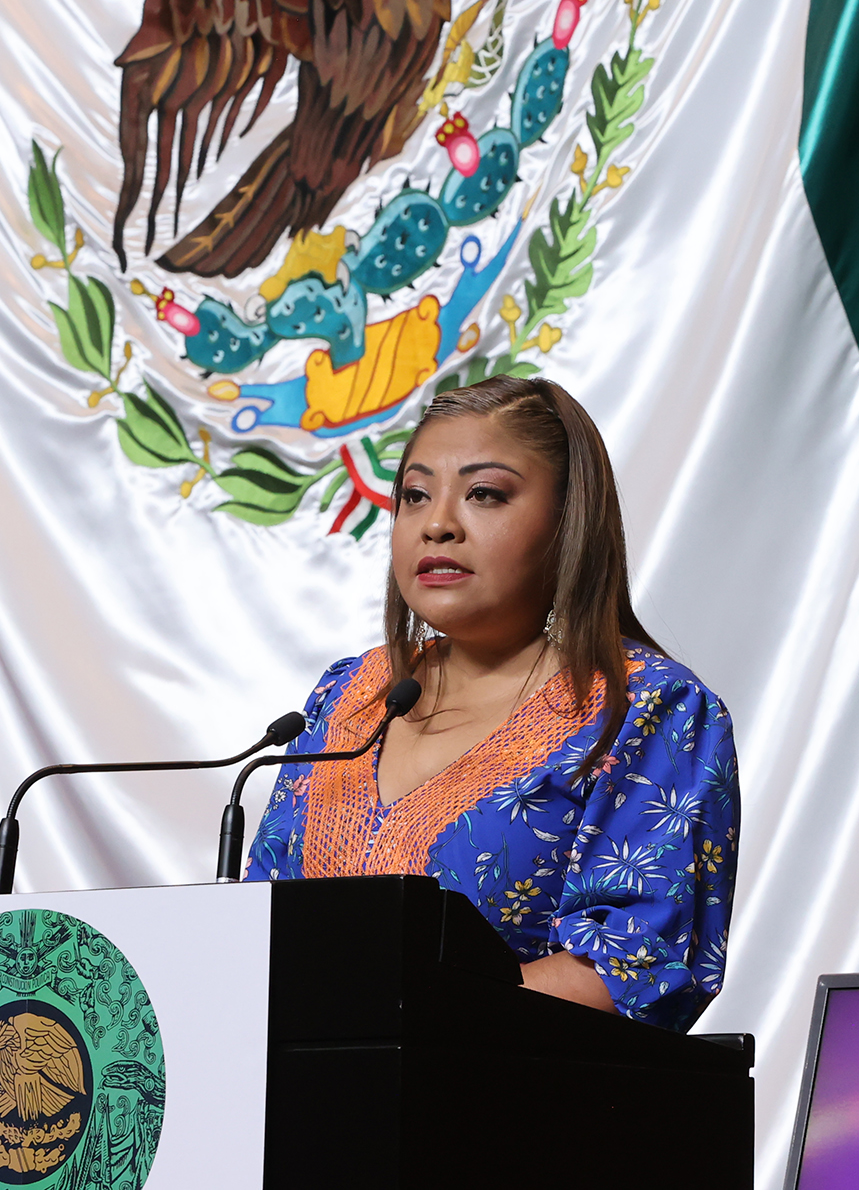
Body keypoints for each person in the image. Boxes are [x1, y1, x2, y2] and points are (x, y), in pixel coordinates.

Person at [245, 376, 738, 1031]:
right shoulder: (351, 694)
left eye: (484, 494)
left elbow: (634, 966)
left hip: (505, 1088)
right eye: (415, 495)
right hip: (300, 1089)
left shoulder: (646, 707)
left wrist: (395, 1014)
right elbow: (256, 932)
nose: (437, 524)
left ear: (568, 520)